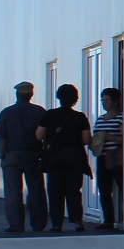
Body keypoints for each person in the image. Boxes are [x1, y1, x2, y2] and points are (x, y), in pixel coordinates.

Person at [0, 82, 48, 232]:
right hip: (33, 155)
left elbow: (1, 138)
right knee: (36, 190)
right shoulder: (39, 111)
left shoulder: (7, 113)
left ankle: (16, 224)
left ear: (17, 95)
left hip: (12, 156)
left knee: (13, 192)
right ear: (31, 94)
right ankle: (38, 223)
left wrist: (2, 156)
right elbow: (45, 136)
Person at [38, 83, 93, 233]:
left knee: (55, 191)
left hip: (54, 156)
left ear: (58, 97)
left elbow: (39, 135)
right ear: (75, 99)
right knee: (74, 190)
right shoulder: (80, 117)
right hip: (74, 156)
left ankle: (57, 224)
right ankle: (77, 222)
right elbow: (87, 139)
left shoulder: (49, 115)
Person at [89, 86, 124, 230]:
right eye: (102, 100)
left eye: (107, 100)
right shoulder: (99, 119)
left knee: (122, 187)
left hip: (116, 157)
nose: (104, 103)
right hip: (102, 157)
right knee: (104, 189)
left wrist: (108, 137)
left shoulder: (121, 118)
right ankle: (108, 220)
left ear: (115, 101)